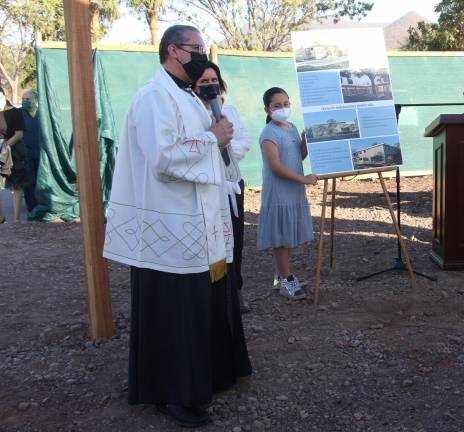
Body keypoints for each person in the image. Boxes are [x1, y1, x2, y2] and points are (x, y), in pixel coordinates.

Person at [102, 25, 252, 428]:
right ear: (173, 50)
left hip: (201, 221)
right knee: (176, 310)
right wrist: (212, 140)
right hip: (170, 226)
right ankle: (173, 392)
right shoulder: (154, 97)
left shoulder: (189, 96)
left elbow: (214, 145)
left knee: (202, 303)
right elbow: (163, 157)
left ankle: (209, 376)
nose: (202, 55)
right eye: (196, 48)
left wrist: (219, 137)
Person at [192, 62, 252, 312]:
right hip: (207, 188)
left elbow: (243, 142)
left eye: (213, 80)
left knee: (234, 239)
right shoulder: (192, 113)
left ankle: (234, 291)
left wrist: (223, 146)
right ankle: (211, 293)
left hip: (231, 184)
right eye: (203, 82)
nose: (209, 86)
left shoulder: (230, 112)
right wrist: (213, 143)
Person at [257, 87, 316, 299]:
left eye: (286, 104)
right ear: (267, 109)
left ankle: (280, 276)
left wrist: (306, 142)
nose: (283, 108)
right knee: (281, 239)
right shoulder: (268, 134)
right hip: (279, 193)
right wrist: (304, 180)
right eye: (277, 105)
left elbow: (296, 157)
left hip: (293, 191)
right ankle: (286, 281)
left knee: (288, 235)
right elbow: (276, 167)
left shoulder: (291, 127)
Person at [0, 87, 25, 223]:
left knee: (16, 184)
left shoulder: (15, 112)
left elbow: (19, 134)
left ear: (3, 96)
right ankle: (1, 218)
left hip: (13, 151)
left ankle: (16, 219)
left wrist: (5, 146)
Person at [20, 89, 40, 216]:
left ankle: (41, 203)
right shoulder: (19, 114)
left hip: (40, 151)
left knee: (40, 179)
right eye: (23, 99)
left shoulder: (41, 114)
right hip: (25, 152)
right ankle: (31, 206)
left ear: (35, 100)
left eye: (28, 99)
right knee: (29, 180)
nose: (25, 102)